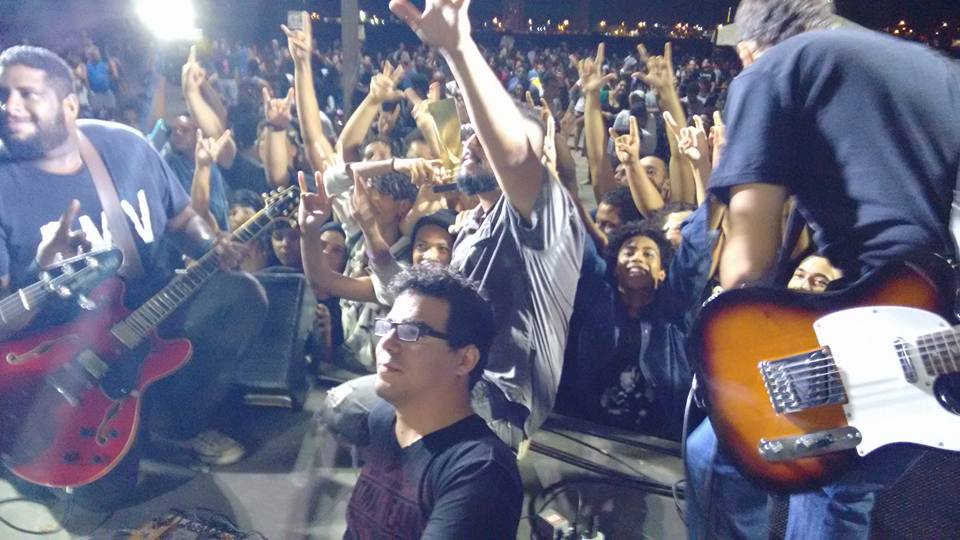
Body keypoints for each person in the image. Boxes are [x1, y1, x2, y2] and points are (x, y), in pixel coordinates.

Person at [685, 0, 960, 538]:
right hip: (937, 325)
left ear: (748, 48)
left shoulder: (773, 69)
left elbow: (747, 266)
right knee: (841, 493)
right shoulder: (938, 69)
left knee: (718, 455)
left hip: (870, 325)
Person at [0, 46, 267, 508]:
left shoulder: (126, 146)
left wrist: (211, 244)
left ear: (69, 104)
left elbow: (182, 219)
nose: (10, 106)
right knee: (102, 498)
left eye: (27, 94)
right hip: (67, 358)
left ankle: (175, 423)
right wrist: (42, 279)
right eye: (3, 94)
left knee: (240, 295)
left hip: (149, 313)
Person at [391, 0, 585, 445]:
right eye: (472, 133)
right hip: (450, 377)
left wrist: (457, 48)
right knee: (348, 407)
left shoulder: (548, 219)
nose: (475, 142)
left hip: (500, 401)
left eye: (491, 137)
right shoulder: (468, 226)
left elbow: (514, 156)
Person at [341, 265, 522, 539]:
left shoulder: (480, 472)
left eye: (412, 331)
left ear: (464, 360)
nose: (387, 343)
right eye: (387, 326)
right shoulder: (383, 420)